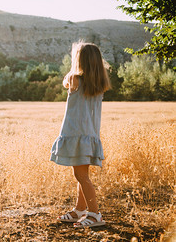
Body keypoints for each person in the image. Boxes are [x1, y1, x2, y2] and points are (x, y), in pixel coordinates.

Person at [50, 40, 111, 228]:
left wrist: (74, 61)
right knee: (82, 173)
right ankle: (80, 209)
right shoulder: (98, 83)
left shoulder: (74, 78)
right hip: (88, 135)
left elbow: (64, 82)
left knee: (81, 176)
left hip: (76, 134)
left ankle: (95, 215)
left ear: (80, 60)